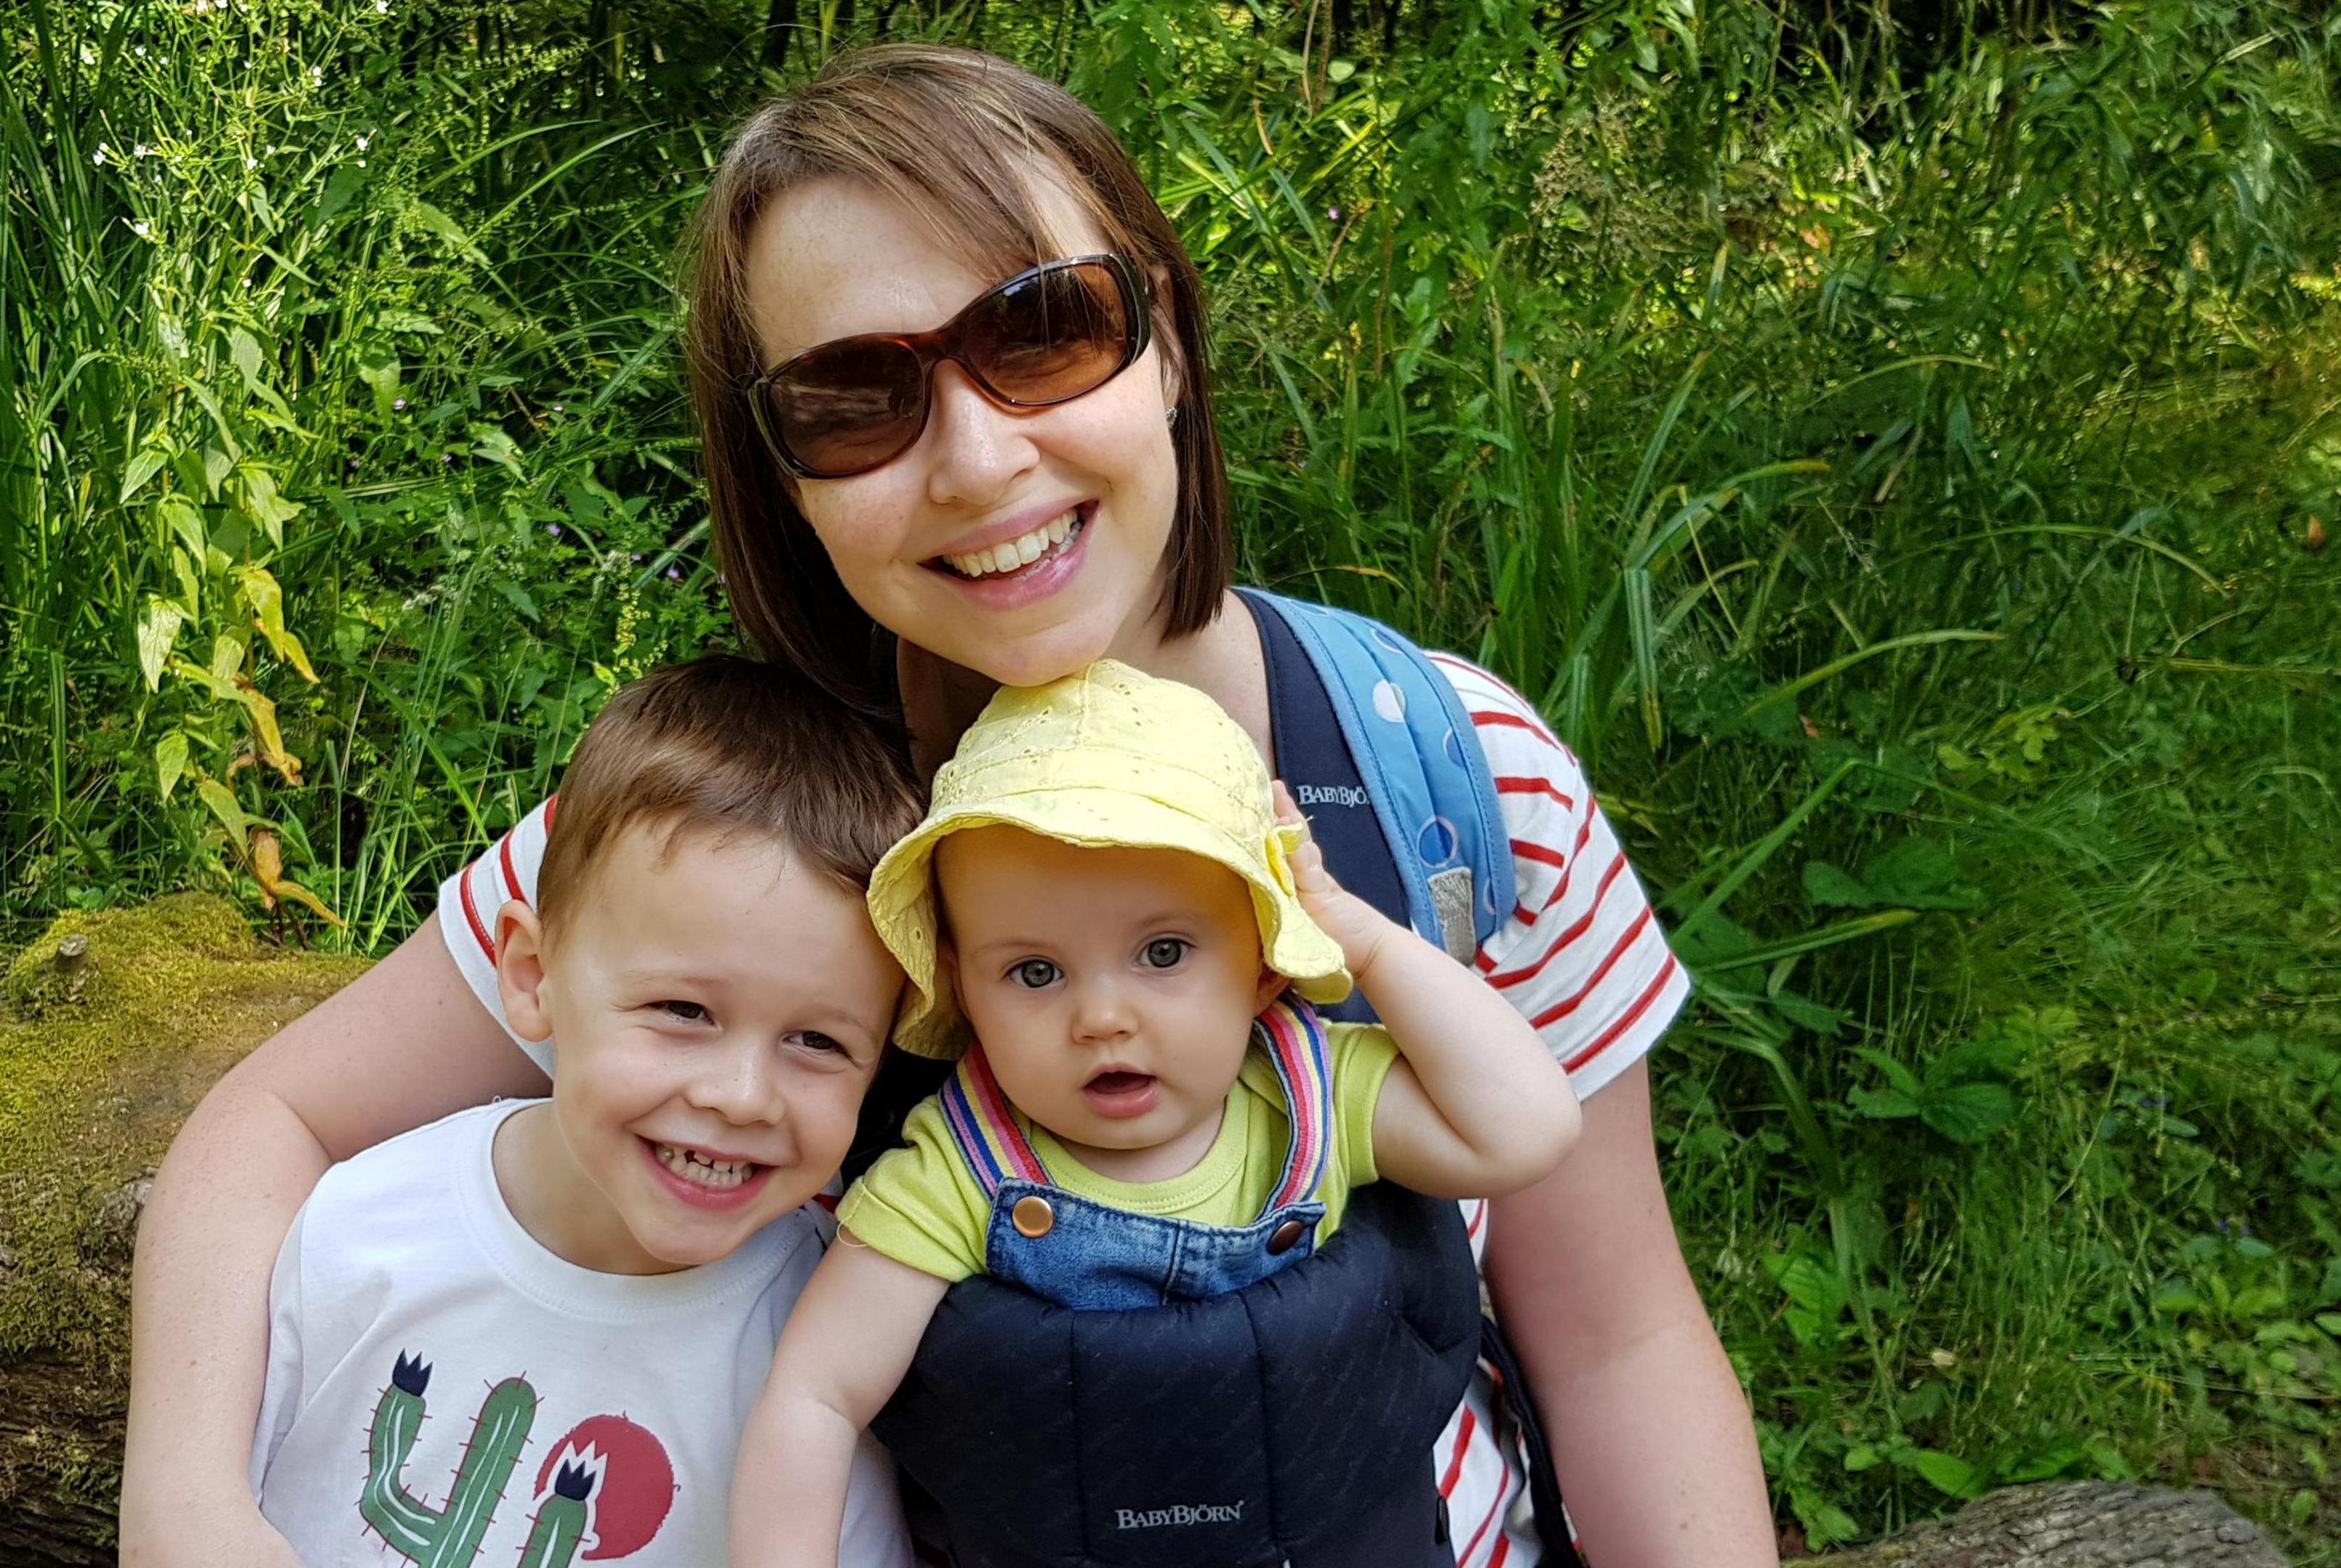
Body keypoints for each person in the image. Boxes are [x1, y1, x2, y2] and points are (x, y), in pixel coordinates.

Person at [121, 44, 1777, 1568]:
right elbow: (277, 1123)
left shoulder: (1445, 777)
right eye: (856, 398)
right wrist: (187, 1499)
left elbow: (1617, 1339)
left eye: (1041, 327)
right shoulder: (725, 827)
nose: (978, 458)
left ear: (1168, 341)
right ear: (779, 477)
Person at [731, 659, 1583, 1565]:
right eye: (1034, 971)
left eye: (1164, 950)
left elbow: (1526, 1127)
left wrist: (1361, 934)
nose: (1102, 1017)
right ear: (964, 992)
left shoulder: (1310, 1096)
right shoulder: (959, 1170)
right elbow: (816, 1395)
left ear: (1264, 965)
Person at [244, 657, 919, 1567]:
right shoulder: (366, 1229)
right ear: (530, 977)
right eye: (684, 1011)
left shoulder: (815, 1356)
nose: (741, 1094)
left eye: (819, 1042)